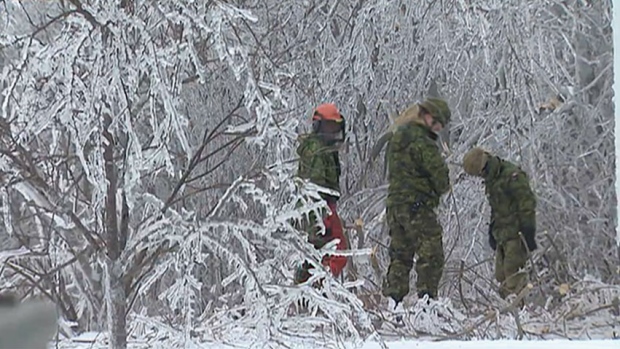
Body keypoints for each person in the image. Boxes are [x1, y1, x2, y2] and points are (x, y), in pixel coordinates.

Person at [382, 98, 451, 306]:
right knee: (432, 254)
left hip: (395, 206)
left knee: (400, 255)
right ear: (427, 116)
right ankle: (426, 304)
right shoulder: (422, 142)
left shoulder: (397, 137)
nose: (438, 128)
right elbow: (440, 178)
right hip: (417, 206)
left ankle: (394, 304)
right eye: (438, 122)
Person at [462, 147, 537, 299]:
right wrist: (492, 230)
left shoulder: (511, 176)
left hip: (517, 234)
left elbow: (527, 204)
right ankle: (508, 312)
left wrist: (529, 232)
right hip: (502, 234)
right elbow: (497, 208)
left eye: (479, 174)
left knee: (513, 276)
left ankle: (519, 313)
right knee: (500, 275)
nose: (480, 177)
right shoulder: (492, 178)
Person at [294, 103, 348, 286]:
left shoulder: (323, 149)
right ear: (318, 126)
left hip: (321, 209)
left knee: (319, 254)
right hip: (319, 211)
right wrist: (321, 219)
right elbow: (314, 187)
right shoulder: (317, 150)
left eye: (335, 127)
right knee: (335, 252)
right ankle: (319, 290)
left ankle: (312, 292)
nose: (332, 132)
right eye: (329, 127)